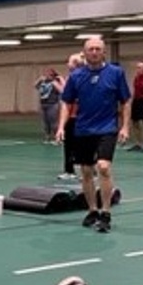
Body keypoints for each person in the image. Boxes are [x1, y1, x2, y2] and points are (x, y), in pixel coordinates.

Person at [56, 37, 131, 233]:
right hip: (83, 129)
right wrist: (61, 127)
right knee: (86, 172)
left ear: (104, 52)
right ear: (85, 52)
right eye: (91, 49)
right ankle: (92, 210)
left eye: (98, 49)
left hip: (107, 128)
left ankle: (106, 212)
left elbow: (125, 101)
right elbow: (66, 102)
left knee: (103, 167)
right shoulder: (76, 76)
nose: (95, 52)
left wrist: (125, 127)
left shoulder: (115, 73)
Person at [56, 53, 85, 181]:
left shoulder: (78, 77)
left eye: (69, 62)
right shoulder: (72, 77)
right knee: (73, 145)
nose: (67, 64)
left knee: (76, 145)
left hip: (76, 116)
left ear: (75, 64)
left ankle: (76, 171)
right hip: (74, 116)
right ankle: (71, 170)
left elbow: (67, 95)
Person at [34, 68, 62, 143]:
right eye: (46, 74)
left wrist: (55, 82)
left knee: (54, 122)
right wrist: (39, 79)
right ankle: (47, 136)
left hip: (52, 104)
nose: (47, 76)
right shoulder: (43, 82)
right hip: (43, 104)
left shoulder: (54, 82)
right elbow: (35, 86)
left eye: (49, 74)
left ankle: (57, 137)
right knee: (45, 122)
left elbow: (61, 90)